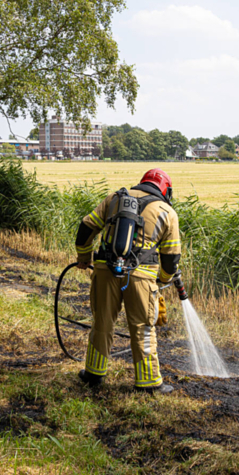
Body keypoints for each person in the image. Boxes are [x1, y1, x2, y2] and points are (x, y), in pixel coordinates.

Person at [74, 168, 182, 394]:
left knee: (102, 322)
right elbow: (171, 258)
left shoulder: (114, 198)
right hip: (141, 278)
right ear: (166, 190)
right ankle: (149, 383)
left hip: (105, 271)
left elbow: (86, 227)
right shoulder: (167, 211)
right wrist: (163, 279)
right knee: (143, 327)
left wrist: (84, 257)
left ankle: (93, 374)